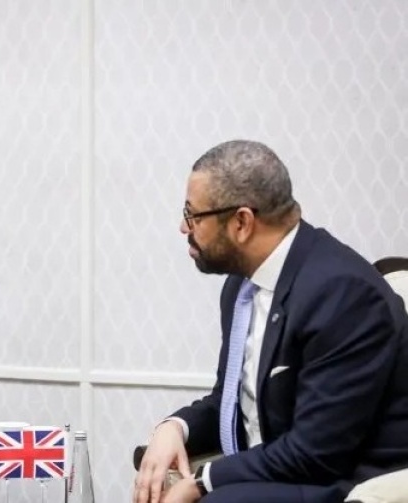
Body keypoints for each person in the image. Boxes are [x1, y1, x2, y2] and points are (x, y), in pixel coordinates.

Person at [133, 140, 408, 503]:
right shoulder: (241, 287)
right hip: (280, 471)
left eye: (192, 214)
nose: (184, 227)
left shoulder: (343, 294)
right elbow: (230, 403)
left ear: (242, 222)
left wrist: (203, 481)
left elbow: (317, 453)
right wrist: (175, 428)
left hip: (349, 484)